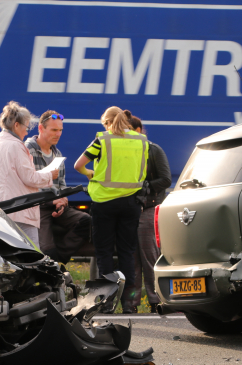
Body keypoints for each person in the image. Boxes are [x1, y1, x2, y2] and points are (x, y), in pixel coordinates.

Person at [74, 107, 148, 313]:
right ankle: (129, 304)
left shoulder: (102, 140)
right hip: (131, 203)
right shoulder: (141, 140)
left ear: (106, 122)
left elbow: (78, 165)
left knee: (104, 252)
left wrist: (90, 173)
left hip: (104, 202)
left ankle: (106, 303)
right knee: (127, 252)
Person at [0, 101, 57, 246]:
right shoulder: (16, 146)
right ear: (16, 125)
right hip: (20, 211)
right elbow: (30, 178)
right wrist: (50, 175)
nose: (27, 132)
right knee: (31, 252)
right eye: (26, 127)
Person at [25, 110, 92, 263]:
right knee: (46, 249)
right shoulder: (27, 150)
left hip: (56, 204)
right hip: (37, 207)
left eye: (60, 130)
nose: (58, 134)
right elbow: (28, 184)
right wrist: (51, 200)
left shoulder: (57, 153)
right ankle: (52, 261)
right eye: (54, 130)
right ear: (41, 128)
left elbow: (61, 183)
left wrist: (62, 199)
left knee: (86, 222)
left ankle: (57, 261)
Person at [123, 112, 172, 314]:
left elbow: (166, 179)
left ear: (138, 130)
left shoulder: (153, 150)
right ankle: (131, 303)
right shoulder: (123, 150)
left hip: (149, 208)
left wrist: (145, 187)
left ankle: (156, 300)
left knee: (149, 256)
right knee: (131, 259)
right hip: (129, 209)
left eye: (127, 130)